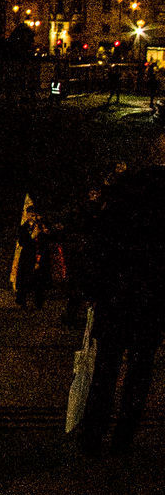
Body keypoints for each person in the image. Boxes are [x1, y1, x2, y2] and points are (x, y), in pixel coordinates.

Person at [77, 165, 165, 455]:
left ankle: (93, 432)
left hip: (115, 303)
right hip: (149, 307)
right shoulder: (158, 221)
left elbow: (97, 256)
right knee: (139, 373)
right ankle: (123, 436)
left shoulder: (115, 216)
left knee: (105, 369)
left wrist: (93, 294)